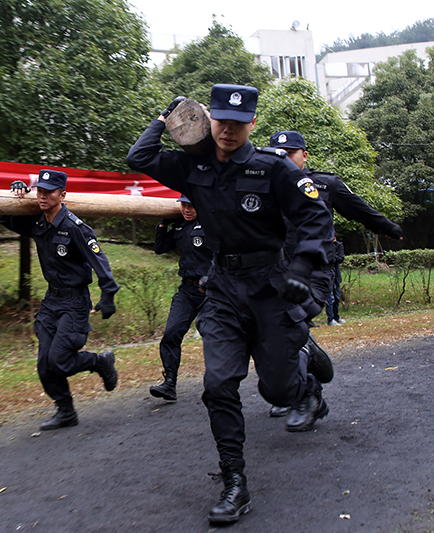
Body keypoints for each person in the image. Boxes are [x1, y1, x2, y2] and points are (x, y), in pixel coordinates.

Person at [126, 85, 335, 525]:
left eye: (239, 123)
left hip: (270, 287)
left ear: (252, 124)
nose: (228, 130)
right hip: (221, 288)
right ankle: (234, 482)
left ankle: (307, 387)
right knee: (218, 385)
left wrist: (302, 265)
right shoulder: (192, 165)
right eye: (220, 120)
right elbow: (139, 158)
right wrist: (167, 118)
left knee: (274, 390)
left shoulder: (273, 169)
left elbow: (315, 216)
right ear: (209, 118)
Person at [267, 131, 403, 416]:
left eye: (290, 153)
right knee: (274, 328)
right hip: (279, 273)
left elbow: (359, 209)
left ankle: (306, 392)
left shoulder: (325, 184)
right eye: (278, 154)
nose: (284, 158)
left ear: (304, 155)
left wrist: (388, 228)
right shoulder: (264, 186)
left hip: (317, 272)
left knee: (288, 324)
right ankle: (299, 380)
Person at [0, 169, 120, 431]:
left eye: (48, 192)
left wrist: (108, 294)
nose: (42, 196)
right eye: (39, 190)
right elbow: (3, 217)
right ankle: (66, 412)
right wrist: (14, 192)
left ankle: (100, 362)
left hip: (75, 302)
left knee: (60, 360)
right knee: (45, 365)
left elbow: (99, 261)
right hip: (51, 300)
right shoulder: (38, 223)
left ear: (62, 195)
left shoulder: (75, 228)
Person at [149, 195, 212, 402]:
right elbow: (160, 248)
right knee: (171, 333)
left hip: (211, 291)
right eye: (183, 205)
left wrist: (210, 276)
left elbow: (223, 254)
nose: (186, 209)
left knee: (212, 337)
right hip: (186, 291)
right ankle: (169, 383)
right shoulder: (180, 227)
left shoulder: (213, 224)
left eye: (191, 205)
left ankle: (218, 383)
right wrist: (162, 223)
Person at [326, 239, 345, 326]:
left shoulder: (338, 245)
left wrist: (332, 257)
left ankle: (336, 316)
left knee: (336, 297)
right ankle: (331, 318)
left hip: (335, 275)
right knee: (330, 298)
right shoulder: (324, 245)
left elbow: (340, 258)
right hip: (327, 274)